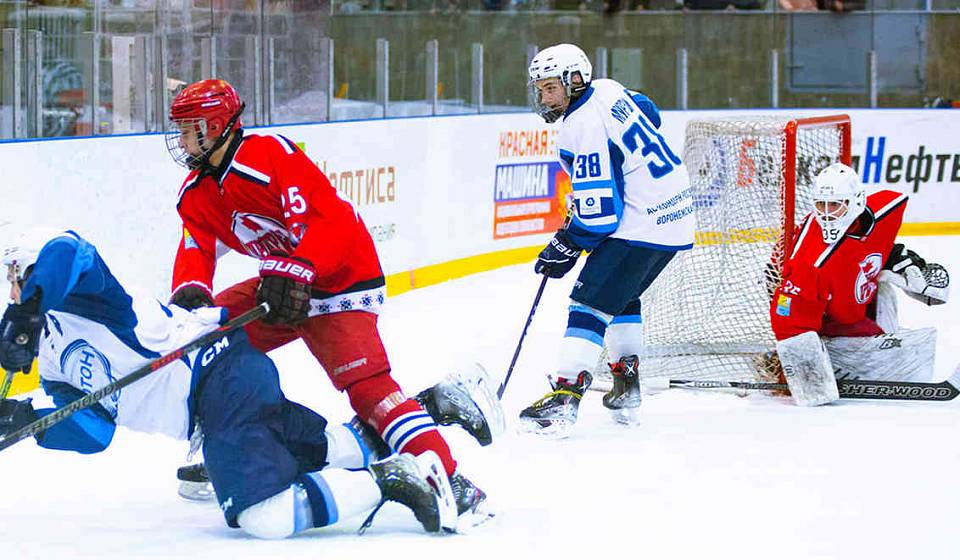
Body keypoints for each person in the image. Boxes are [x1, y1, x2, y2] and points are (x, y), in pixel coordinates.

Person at [0, 228, 507, 537]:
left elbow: (71, 251)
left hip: (217, 377)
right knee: (334, 448)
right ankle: (436, 403)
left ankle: (395, 480)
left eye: (16, 276)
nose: (12, 286)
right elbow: (94, 432)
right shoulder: (52, 364)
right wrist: (31, 421)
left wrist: (25, 313)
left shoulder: (88, 298)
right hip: (225, 391)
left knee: (263, 516)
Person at [164, 79, 494, 512]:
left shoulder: (267, 156)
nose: (181, 139)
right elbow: (196, 244)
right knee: (208, 343)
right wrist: (191, 292)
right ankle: (239, 449)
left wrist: (302, 266)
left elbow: (328, 220)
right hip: (282, 284)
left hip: (340, 278)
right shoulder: (197, 191)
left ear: (216, 124)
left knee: (368, 389)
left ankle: (449, 477)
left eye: (190, 128)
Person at [518, 44, 696, 435]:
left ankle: (565, 396)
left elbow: (600, 216)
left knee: (588, 304)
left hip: (642, 222)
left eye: (551, 88)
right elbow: (649, 111)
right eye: (541, 89)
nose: (545, 98)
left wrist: (566, 243)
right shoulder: (608, 88)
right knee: (621, 294)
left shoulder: (580, 127)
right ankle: (626, 382)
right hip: (674, 216)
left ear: (574, 81)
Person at [769, 163, 950, 405]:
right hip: (817, 311)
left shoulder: (887, 207)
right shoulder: (810, 263)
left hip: (848, 296)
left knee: (894, 335)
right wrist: (805, 377)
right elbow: (789, 322)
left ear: (855, 202)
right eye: (820, 204)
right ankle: (789, 361)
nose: (825, 213)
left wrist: (899, 259)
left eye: (834, 205)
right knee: (900, 361)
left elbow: (871, 244)